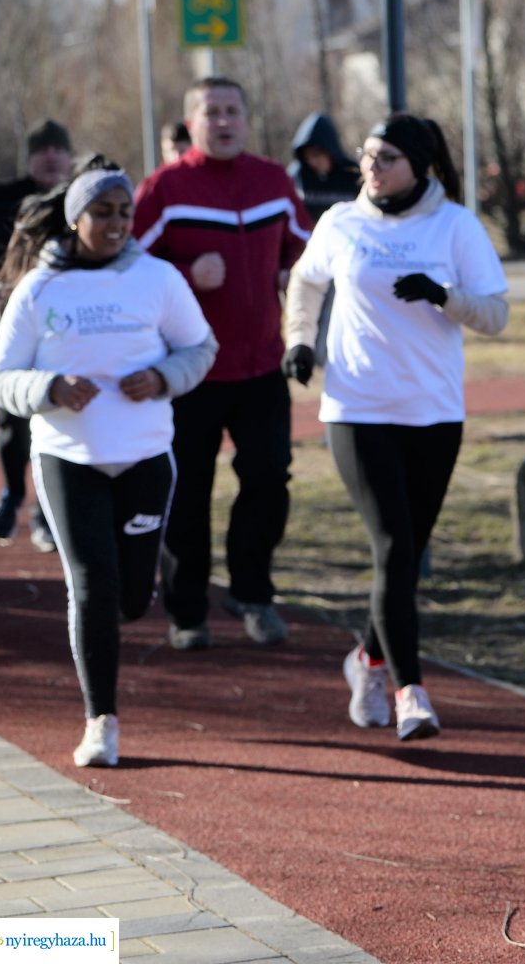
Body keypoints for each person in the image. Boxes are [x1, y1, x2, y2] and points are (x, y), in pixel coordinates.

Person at [0, 156, 217, 767]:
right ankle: (101, 723)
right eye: (102, 213)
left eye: (124, 213)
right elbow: (0, 378)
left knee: (133, 599)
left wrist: (164, 376)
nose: (116, 224)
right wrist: (50, 389)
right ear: (74, 217)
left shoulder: (158, 279)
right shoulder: (40, 288)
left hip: (144, 457)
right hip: (69, 457)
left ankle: (120, 625)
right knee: (91, 586)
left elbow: (200, 348)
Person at [282, 114, 507, 741]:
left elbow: (496, 315)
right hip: (357, 407)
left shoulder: (456, 226)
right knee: (394, 548)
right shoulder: (340, 223)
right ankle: (411, 691)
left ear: (419, 166)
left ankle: (366, 658)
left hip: (433, 411)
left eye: (386, 159)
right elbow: (305, 281)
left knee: (405, 560)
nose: (371, 168)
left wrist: (442, 295)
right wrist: (300, 341)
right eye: (367, 155)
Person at [132, 77, 312, 650]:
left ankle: (252, 594)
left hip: (262, 367)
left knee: (268, 481)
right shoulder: (164, 189)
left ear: (246, 119)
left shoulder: (273, 181)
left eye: (233, 110)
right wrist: (188, 276)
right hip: (187, 373)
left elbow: (307, 250)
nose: (224, 121)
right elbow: (126, 272)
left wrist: (292, 273)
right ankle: (188, 613)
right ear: (192, 123)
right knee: (186, 494)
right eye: (212, 112)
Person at [0, 118, 74, 551]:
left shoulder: (82, 200)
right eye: (43, 149)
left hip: (68, 327)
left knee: (53, 413)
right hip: (10, 323)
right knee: (11, 416)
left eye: (59, 149)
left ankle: (45, 509)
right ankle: (13, 494)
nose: (52, 156)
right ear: (31, 156)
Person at [288, 111, 361, 224]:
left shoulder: (353, 174)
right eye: (307, 157)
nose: (312, 162)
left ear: (330, 152)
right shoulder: (296, 176)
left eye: (316, 155)